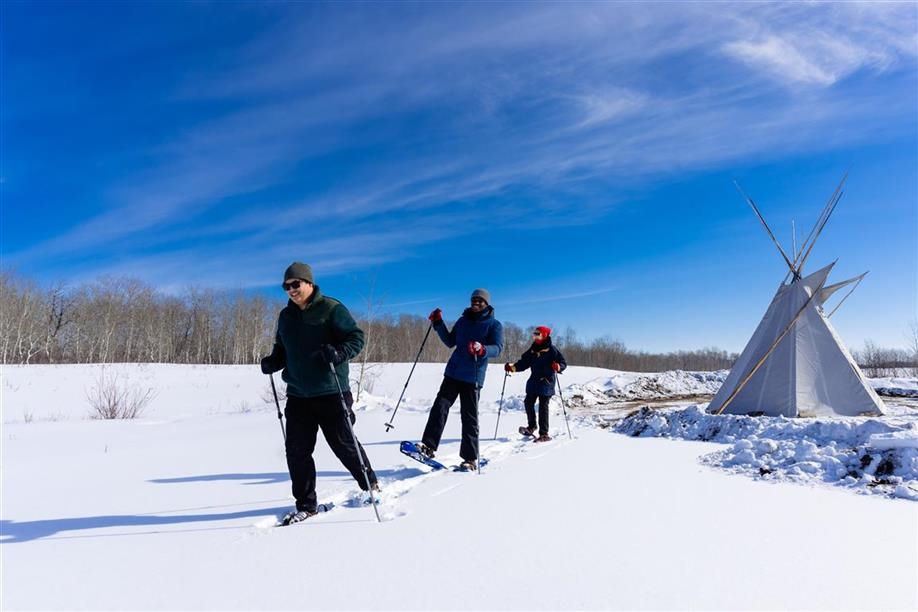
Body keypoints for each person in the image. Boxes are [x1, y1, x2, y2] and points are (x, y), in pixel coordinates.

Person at [260, 262, 379, 524]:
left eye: (295, 284)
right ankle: (306, 505)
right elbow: (282, 348)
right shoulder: (285, 316)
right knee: (296, 451)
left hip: (331, 390)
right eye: (286, 286)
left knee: (343, 444)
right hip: (298, 394)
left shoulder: (331, 308)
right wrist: (273, 361)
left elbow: (356, 338)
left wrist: (339, 353)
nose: (291, 290)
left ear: (309, 283)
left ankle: (370, 484)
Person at [416, 289, 503, 471]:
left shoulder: (494, 325)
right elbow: (450, 341)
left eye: (480, 300)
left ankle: (469, 459)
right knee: (440, 407)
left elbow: (497, 348)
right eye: (473, 299)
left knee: (469, 417)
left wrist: (483, 349)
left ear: (487, 304)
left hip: (473, 376)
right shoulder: (463, 321)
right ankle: (428, 446)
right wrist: (438, 323)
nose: (476, 302)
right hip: (453, 373)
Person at [505, 326, 567, 442]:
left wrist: (558, 367)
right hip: (534, 381)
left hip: (546, 381)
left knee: (543, 406)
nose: (535, 337)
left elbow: (563, 363)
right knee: (528, 402)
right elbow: (524, 363)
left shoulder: (552, 350)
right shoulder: (533, 350)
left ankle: (544, 433)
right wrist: (512, 368)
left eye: (537, 334)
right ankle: (532, 426)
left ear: (544, 335)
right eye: (534, 334)